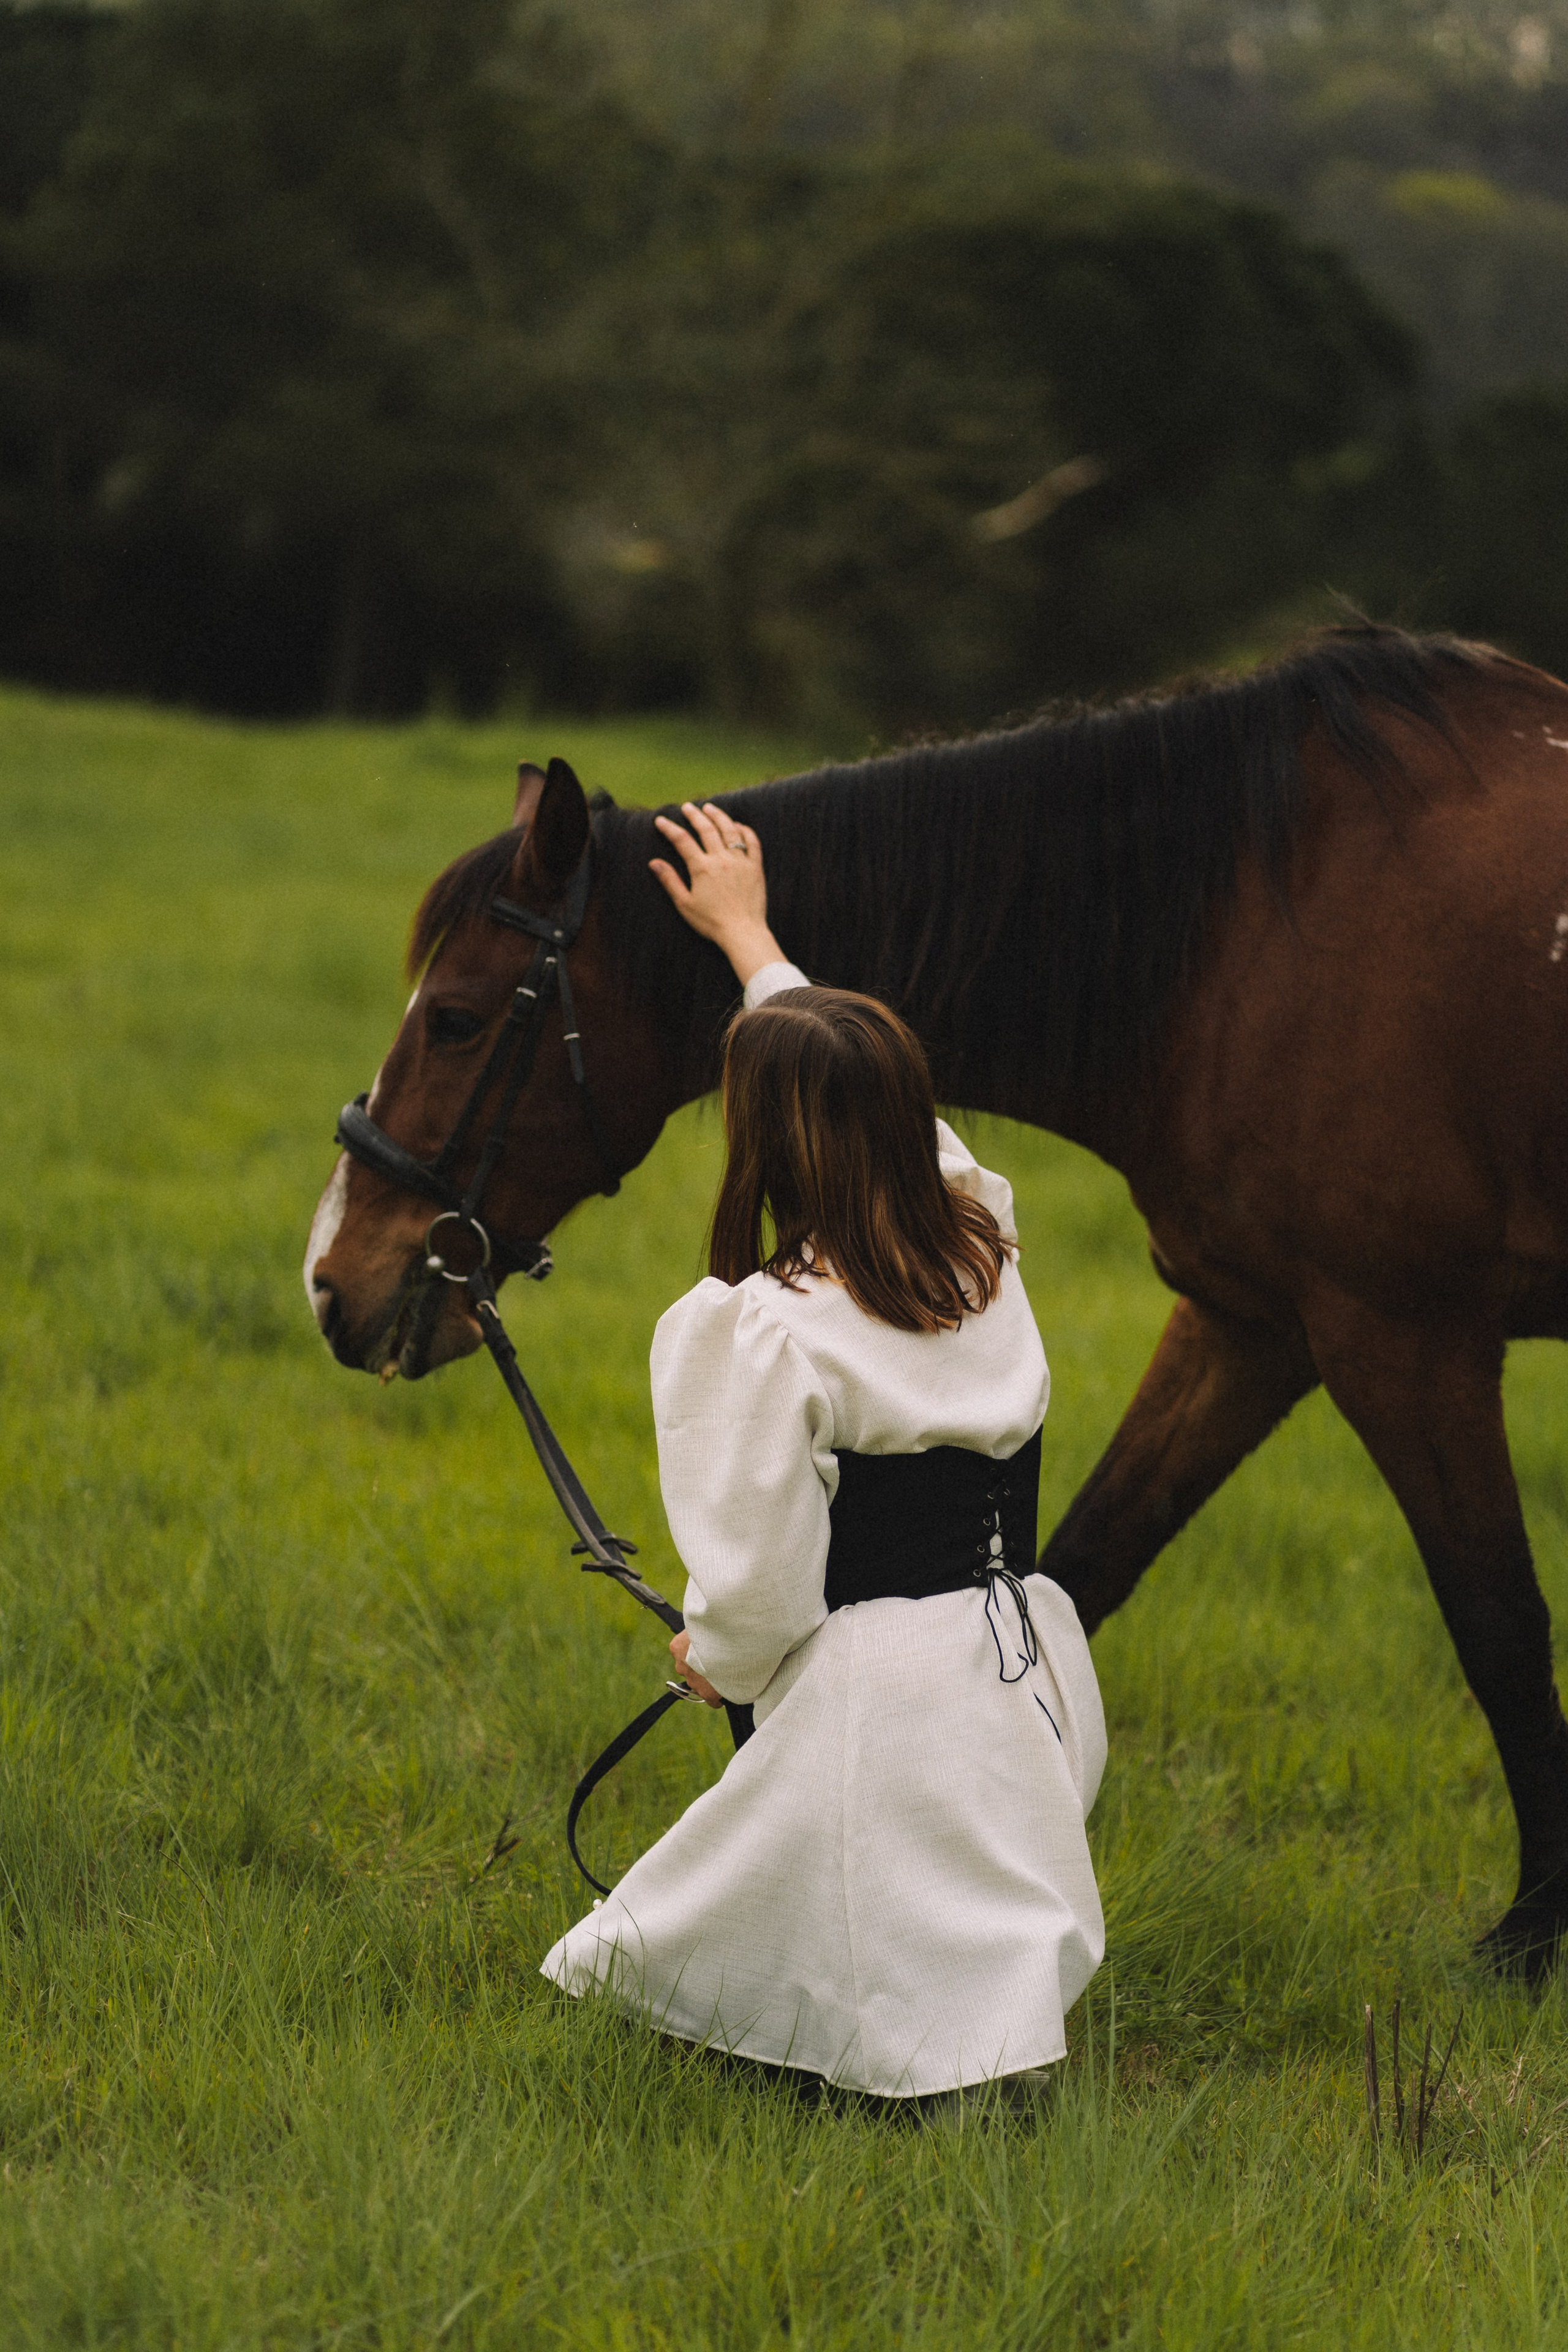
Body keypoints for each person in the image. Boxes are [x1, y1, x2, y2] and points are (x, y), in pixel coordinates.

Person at [540, 801, 1106, 2101]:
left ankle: (921, 2082)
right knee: (961, 1923)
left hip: (880, 1700)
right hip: (1017, 1664)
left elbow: (758, 1591)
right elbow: (867, 1093)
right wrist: (750, 943)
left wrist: (715, 1660)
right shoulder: (979, 1237)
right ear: (909, 1116)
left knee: (730, 1949)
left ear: (763, 1137)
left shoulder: (765, 1333)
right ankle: (981, 2064)